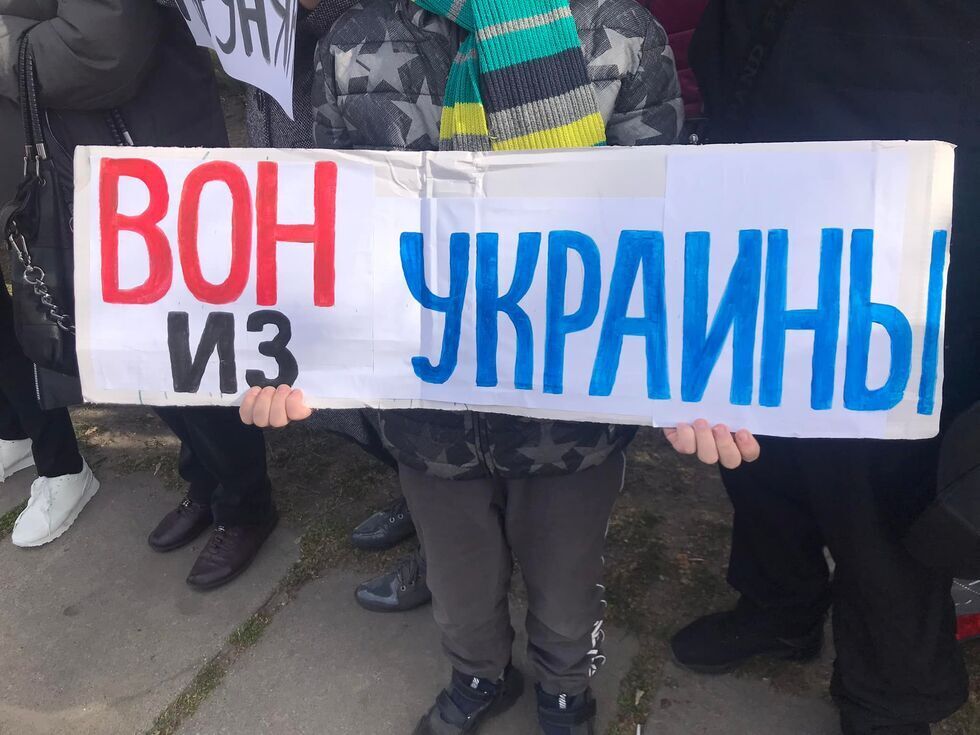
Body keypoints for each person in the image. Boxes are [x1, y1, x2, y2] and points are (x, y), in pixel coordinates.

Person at [245, 1, 686, 732]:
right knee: (457, 577)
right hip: (428, 414)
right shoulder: (354, 44)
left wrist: (701, 377)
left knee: (567, 579)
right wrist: (296, 356)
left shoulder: (619, 35)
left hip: (569, 415)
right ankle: (479, 674)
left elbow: (671, 221)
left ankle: (565, 686)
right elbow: (328, 226)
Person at [669, 2, 980, 734]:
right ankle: (780, 604)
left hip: (924, 158)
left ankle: (890, 697)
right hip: (762, 122)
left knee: (883, 477)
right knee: (754, 431)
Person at [243, 0, 430, 613]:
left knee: (409, 354)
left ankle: (448, 543)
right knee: (355, 370)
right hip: (283, 109)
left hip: (373, 100)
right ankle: (421, 495)